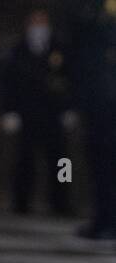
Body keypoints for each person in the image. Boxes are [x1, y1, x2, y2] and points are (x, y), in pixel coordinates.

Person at [0, 9, 76, 216]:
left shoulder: (60, 49)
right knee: (25, 161)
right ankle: (21, 202)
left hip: (53, 113)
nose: (39, 28)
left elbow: (69, 80)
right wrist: (9, 111)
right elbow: (8, 82)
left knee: (60, 161)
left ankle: (61, 201)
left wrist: (69, 108)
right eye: (35, 23)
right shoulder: (17, 50)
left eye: (42, 23)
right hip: (28, 113)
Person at [61, 0, 116, 239]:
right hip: (98, 102)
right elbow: (79, 53)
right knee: (99, 162)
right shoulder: (91, 13)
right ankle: (103, 218)